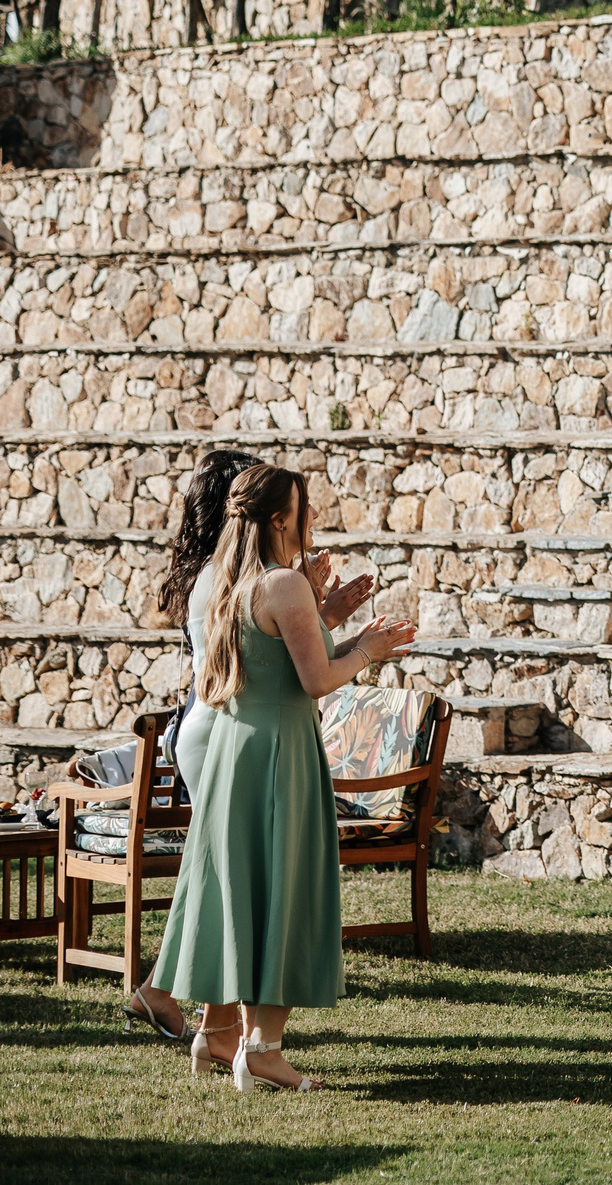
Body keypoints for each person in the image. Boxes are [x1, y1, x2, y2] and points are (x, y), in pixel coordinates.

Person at [151, 465, 414, 1090]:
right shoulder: (283, 584)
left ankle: (216, 1037)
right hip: (278, 753)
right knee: (282, 896)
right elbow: (315, 679)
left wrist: (327, 612)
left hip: (231, 753)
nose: (309, 518)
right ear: (278, 520)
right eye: (302, 507)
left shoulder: (224, 586)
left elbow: (272, 652)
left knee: (235, 893)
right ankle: (262, 1051)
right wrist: (369, 650)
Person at [119, 447, 263, 1044]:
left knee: (214, 871)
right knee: (228, 877)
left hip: (200, 727)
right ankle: (212, 1017)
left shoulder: (206, 570)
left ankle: (169, 995)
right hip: (222, 729)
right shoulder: (229, 576)